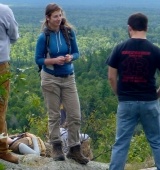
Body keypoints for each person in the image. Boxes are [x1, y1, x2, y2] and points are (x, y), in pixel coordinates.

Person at [106, 12, 160, 170]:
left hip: (126, 101)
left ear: (129, 28)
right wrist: (157, 94)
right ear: (147, 28)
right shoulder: (155, 50)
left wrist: (119, 94)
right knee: (157, 141)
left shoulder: (119, 49)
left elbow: (111, 78)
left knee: (121, 143)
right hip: (149, 101)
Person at [35, 3, 89, 164]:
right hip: (50, 77)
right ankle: (56, 147)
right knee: (54, 115)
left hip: (68, 77)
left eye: (60, 15)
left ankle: (74, 149)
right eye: (55, 16)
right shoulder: (44, 37)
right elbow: (38, 59)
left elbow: (77, 53)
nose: (59, 19)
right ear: (48, 18)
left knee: (74, 115)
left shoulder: (69, 33)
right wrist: (53, 60)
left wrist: (70, 58)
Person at [0, 3, 19, 164]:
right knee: (0, 109)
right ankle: (2, 150)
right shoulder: (4, 10)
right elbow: (14, 35)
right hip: (1, 64)